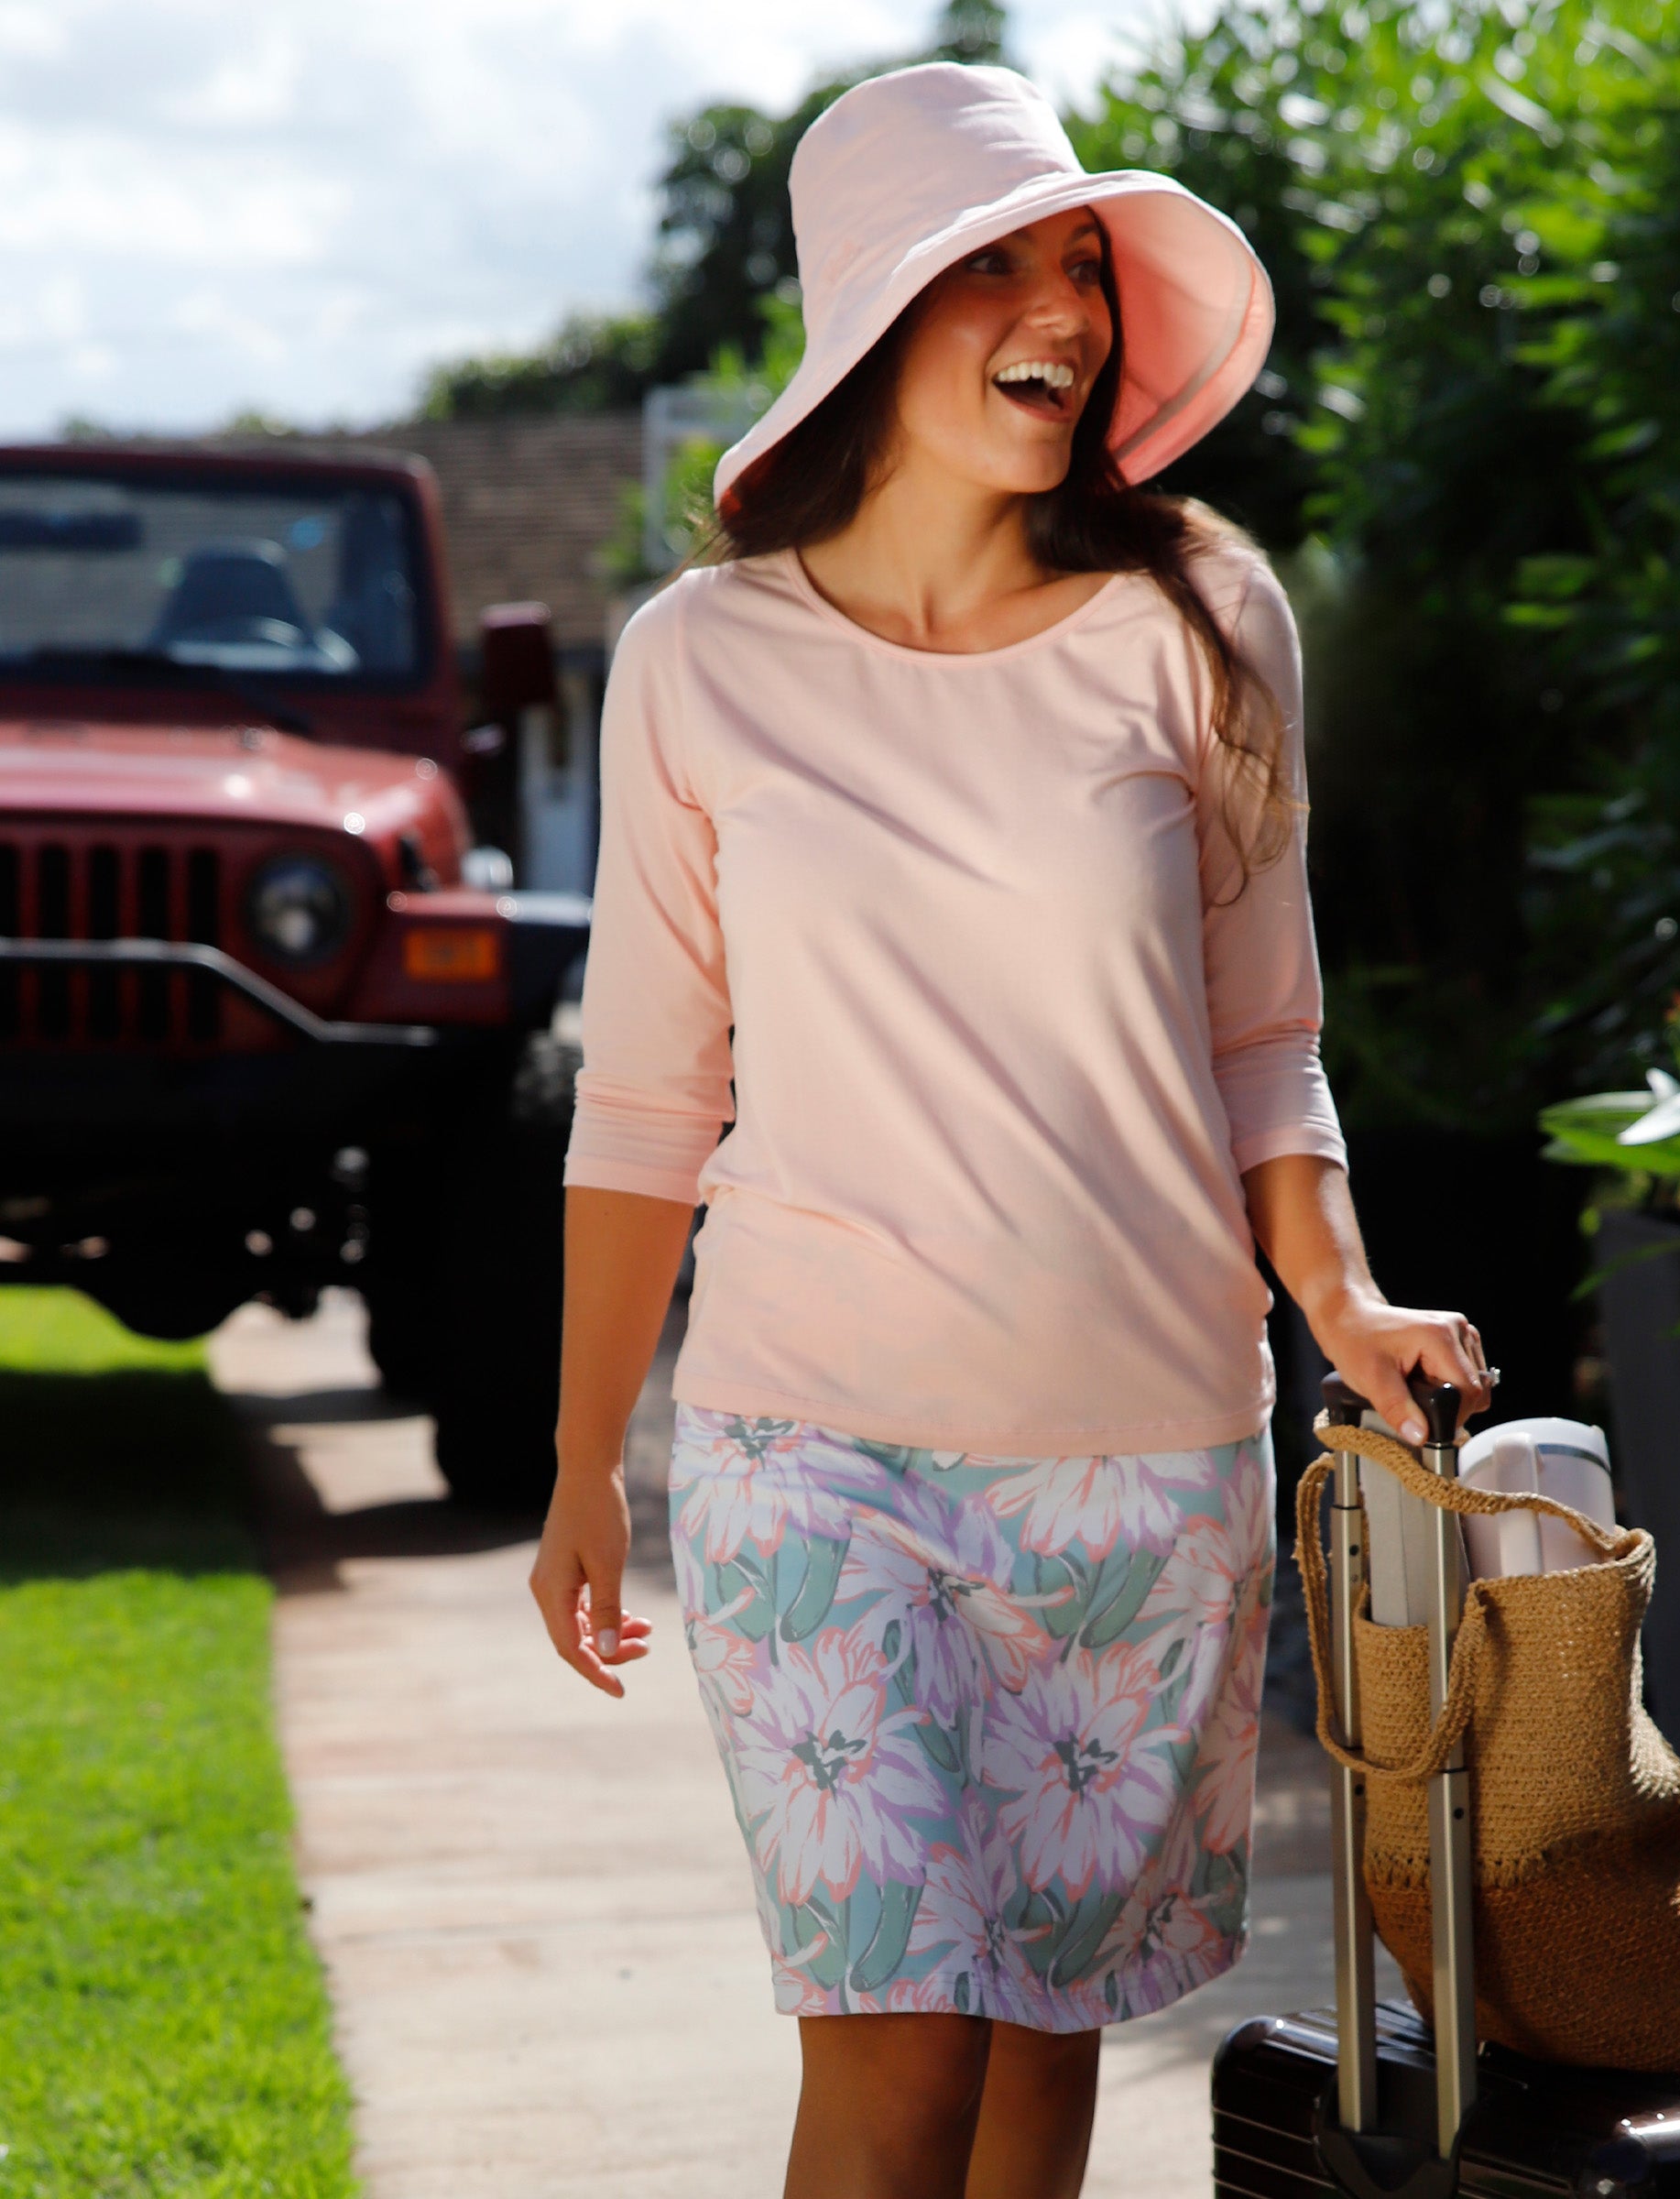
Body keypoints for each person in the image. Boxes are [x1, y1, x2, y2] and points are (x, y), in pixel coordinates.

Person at [530, 60, 1492, 2199]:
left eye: (1085, 263)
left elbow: (1268, 1035)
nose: (1067, 303)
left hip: (1145, 1467)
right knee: (897, 2052)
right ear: (873, 314)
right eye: (1001, 265)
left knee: (1035, 2051)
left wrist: (1336, 1294)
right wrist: (592, 1454)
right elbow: (648, 1089)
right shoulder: (699, 663)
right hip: (814, 1460)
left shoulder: (1202, 622)